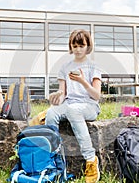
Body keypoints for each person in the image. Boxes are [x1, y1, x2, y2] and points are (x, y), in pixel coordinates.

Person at [45, 29, 101, 183]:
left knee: (73, 111)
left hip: (89, 106)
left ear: (87, 46)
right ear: (70, 46)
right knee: (51, 113)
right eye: (74, 46)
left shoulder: (93, 67)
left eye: (81, 45)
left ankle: (90, 159)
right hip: (70, 104)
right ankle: (53, 158)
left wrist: (82, 81)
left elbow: (96, 95)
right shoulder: (65, 67)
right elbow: (63, 93)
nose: (77, 49)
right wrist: (57, 97)